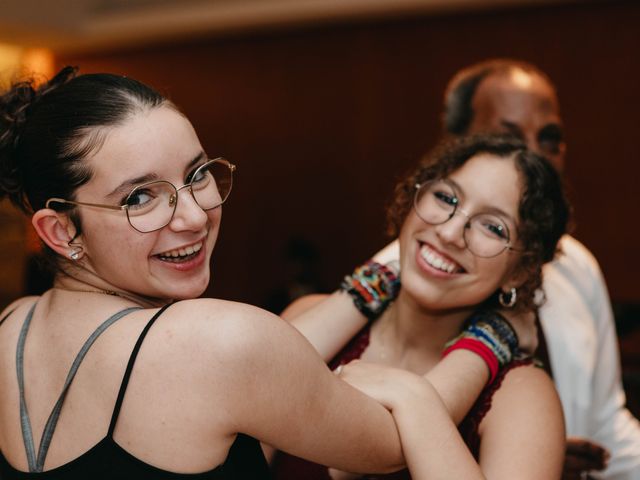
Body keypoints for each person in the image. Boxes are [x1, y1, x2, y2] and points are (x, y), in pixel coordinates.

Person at [0, 66, 530, 479]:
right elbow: (396, 443)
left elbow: (267, 373)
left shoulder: (10, 328)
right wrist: (494, 337)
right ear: (61, 231)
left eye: (198, 174)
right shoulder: (217, 341)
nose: (193, 216)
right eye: (140, 197)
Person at [273, 134, 569, 479]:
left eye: (492, 226)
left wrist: (413, 398)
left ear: (519, 271)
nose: (450, 232)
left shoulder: (523, 397)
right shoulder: (306, 316)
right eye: (445, 197)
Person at [442, 59, 640, 480]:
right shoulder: (421, 266)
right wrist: (525, 456)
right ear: (458, 144)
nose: (535, 157)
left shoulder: (575, 264)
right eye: (506, 138)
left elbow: (607, 425)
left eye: (549, 139)